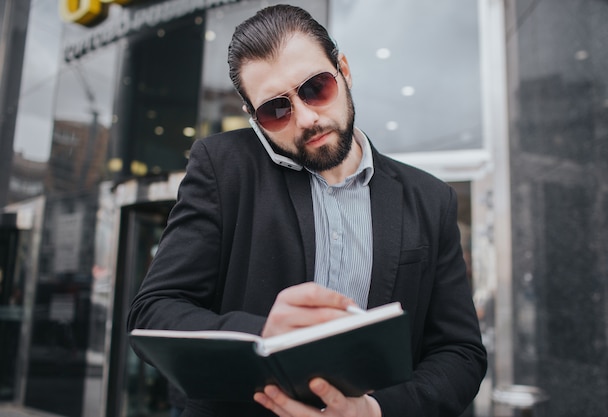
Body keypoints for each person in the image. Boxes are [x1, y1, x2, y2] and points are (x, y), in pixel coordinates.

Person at [127, 4, 487, 417]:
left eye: (316, 87)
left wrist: (375, 412)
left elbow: (460, 353)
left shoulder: (429, 199)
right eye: (276, 109)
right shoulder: (222, 167)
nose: (306, 119)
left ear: (344, 69)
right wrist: (261, 334)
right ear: (253, 118)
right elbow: (151, 313)